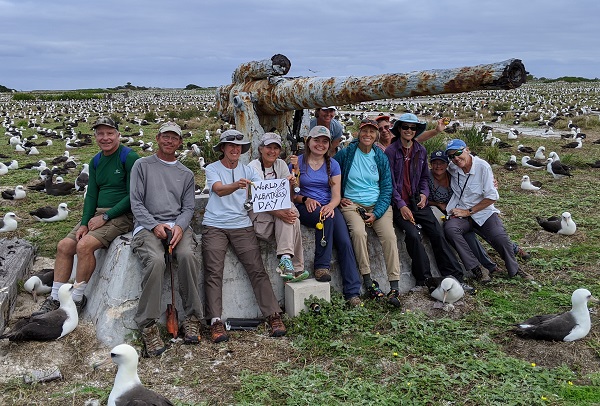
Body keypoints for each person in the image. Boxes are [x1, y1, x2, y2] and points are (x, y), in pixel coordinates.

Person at [33, 117, 139, 316]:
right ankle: (55, 297)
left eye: (109, 133)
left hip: (122, 215)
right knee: (64, 246)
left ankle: (76, 299)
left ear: (118, 135)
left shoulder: (129, 158)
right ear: (95, 136)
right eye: (100, 134)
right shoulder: (96, 160)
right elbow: (91, 195)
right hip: (98, 213)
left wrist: (106, 216)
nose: (105, 138)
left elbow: (134, 195)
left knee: (83, 246)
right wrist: (84, 223)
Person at [202, 129, 287, 344]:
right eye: (230, 145)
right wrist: (236, 185)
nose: (234, 149)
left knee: (257, 269)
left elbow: (264, 192)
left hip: (241, 224)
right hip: (215, 225)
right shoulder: (212, 169)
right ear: (222, 148)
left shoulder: (247, 170)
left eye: (238, 146)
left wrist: (288, 188)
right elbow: (219, 190)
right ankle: (215, 321)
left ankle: (273, 314)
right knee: (213, 272)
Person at [129, 121, 204, 357]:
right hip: (147, 226)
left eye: (174, 138)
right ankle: (148, 324)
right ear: (157, 138)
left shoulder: (186, 173)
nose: (169, 141)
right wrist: (153, 225)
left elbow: (189, 207)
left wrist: (180, 227)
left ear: (180, 142)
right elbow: (136, 202)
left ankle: (192, 318)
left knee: (188, 256)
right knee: (156, 261)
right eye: (165, 136)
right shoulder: (142, 166)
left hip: (177, 226)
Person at [384, 113, 472, 292]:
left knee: (437, 233)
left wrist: (424, 194)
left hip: (417, 201)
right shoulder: (391, 152)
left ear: (416, 131)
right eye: (405, 127)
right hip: (398, 204)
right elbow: (388, 182)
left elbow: (424, 177)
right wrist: (400, 205)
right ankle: (424, 279)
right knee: (413, 235)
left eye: (413, 128)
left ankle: (455, 276)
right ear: (399, 129)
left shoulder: (420, 150)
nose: (409, 131)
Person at [428, 150, 530, 281]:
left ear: (467, 150)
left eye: (458, 153)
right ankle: (479, 269)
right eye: (452, 156)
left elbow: (492, 195)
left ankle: (514, 269)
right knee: (452, 229)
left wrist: (491, 180)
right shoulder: (450, 168)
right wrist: (438, 204)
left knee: (499, 236)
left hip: (482, 212)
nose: (438, 166)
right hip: (459, 213)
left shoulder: (481, 167)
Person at [334, 119, 402, 307]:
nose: (368, 135)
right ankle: (367, 280)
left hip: (377, 205)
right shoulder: (346, 154)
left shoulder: (380, 156)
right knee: (358, 233)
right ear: (358, 132)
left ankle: (394, 285)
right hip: (352, 204)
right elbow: (332, 175)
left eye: (372, 132)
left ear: (376, 135)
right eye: (365, 131)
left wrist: (377, 212)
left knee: (389, 236)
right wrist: (338, 198)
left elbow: (387, 187)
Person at [293, 125, 362, 306]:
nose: (320, 145)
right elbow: (293, 193)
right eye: (316, 140)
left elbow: (336, 195)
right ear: (308, 141)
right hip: (305, 206)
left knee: (345, 242)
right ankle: (321, 266)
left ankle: (352, 292)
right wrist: (305, 199)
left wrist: (331, 206)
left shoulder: (334, 165)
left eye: (325, 141)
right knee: (326, 217)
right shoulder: (297, 162)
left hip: (328, 206)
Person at [248, 132, 309, 282]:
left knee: (292, 217)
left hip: (279, 218)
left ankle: (287, 263)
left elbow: (290, 196)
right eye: (269, 147)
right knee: (291, 216)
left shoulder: (281, 165)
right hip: (261, 218)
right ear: (261, 149)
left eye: (276, 148)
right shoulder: (253, 167)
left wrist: (292, 180)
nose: (272, 151)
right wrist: (281, 213)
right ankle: (296, 266)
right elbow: (260, 199)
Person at [375, 115, 447, 152]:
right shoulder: (375, 147)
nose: (384, 130)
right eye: (380, 129)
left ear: (391, 126)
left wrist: (436, 131)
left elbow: (419, 137)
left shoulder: (400, 138)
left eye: (386, 127)